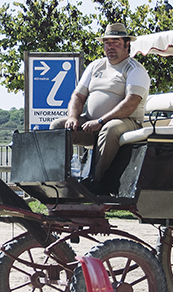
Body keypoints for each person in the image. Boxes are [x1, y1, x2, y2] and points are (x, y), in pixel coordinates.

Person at [51, 22, 150, 184]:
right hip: (91, 122)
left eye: (116, 42)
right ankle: (59, 179)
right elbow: (78, 96)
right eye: (106, 42)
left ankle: (96, 183)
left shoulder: (135, 69)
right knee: (58, 126)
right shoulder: (95, 66)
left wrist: (101, 121)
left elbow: (131, 103)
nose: (110, 46)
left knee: (110, 129)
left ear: (127, 45)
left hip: (127, 121)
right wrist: (73, 117)